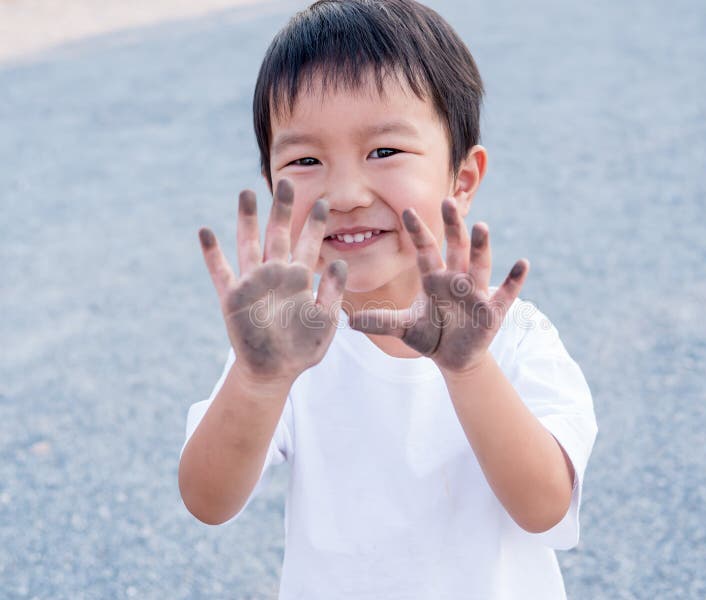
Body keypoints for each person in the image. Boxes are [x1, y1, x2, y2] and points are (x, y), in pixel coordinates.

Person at [178, 0, 598, 597]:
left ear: (463, 179)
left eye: (384, 151)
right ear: (274, 191)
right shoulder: (285, 344)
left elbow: (544, 508)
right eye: (305, 160)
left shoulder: (515, 337)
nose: (346, 192)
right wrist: (257, 381)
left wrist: (470, 368)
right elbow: (208, 501)